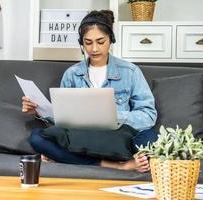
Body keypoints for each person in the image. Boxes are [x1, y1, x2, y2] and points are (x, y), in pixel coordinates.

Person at [22, 10, 158, 173]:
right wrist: (38, 110)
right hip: (83, 138)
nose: (94, 49)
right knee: (37, 137)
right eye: (88, 42)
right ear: (82, 43)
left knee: (152, 139)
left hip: (119, 137)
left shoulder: (130, 72)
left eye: (101, 41)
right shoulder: (72, 74)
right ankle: (118, 165)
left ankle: (66, 158)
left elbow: (148, 115)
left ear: (111, 40)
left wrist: (112, 117)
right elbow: (62, 119)